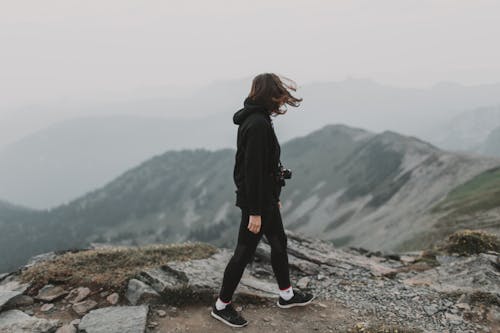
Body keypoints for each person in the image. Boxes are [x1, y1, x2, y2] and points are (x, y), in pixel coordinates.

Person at [210, 73, 315, 328]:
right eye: (278, 94)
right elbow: (253, 171)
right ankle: (221, 306)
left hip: (265, 199)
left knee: (279, 243)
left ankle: (286, 295)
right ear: (269, 95)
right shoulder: (257, 124)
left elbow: (264, 167)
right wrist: (255, 211)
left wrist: (273, 197)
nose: (281, 101)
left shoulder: (259, 118)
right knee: (243, 252)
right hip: (255, 202)